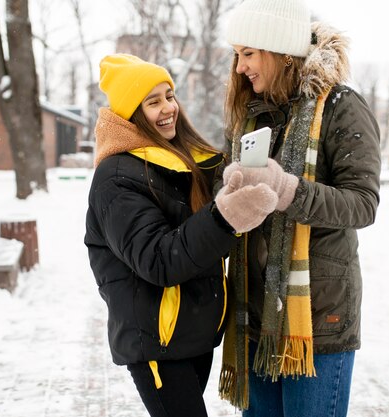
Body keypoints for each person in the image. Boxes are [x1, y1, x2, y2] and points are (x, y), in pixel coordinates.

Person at [84, 53, 280, 417]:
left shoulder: (180, 161)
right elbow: (159, 260)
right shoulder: (116, 176)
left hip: (191, 336)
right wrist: (224, 217)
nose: (167, 108)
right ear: (132, 113)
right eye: (153, 101)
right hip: (157, 341)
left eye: (169, 96)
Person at [217, 0, 382, 416]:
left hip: (317, 323)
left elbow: (363, 204)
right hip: (258, 320)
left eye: (248, 53)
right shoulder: (254, 116)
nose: (239, 67)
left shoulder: (341, 107)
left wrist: (289, 190)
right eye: (237, 55)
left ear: (279, 50)